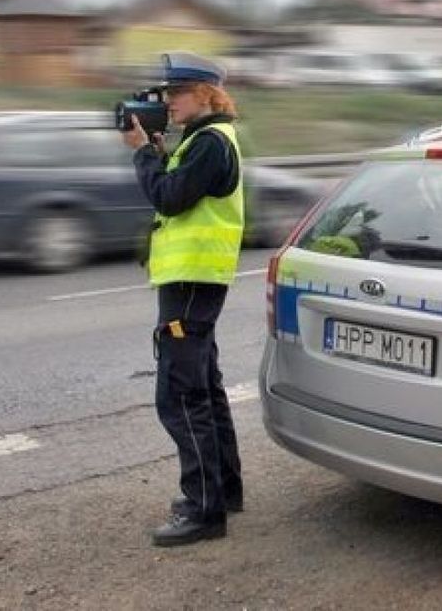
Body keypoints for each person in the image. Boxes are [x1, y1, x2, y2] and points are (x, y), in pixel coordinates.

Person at [121, 51, 247, 547]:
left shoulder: (210, 143)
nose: (167, 101)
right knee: (206, 388)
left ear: (205, 94)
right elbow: (178, 193)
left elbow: (169, 198)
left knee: (181, 395)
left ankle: (203, 510)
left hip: (193, 282)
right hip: (193, 280)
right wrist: (157, 149)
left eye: (176, 92)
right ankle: (223, 492)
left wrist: (141, 152)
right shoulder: (203, 139)